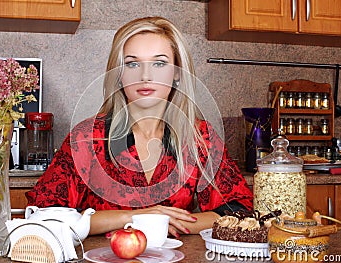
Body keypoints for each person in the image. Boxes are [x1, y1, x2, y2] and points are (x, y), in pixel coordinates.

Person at [26, 16, 253, 238]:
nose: (145, 76)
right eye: (132, 64)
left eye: (159, 63)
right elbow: (44, 217)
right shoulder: (86, 138)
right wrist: (136, 218)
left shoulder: (200, 137)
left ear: (176, 73)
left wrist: (164, 221)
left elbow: (239, 210)